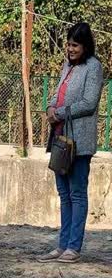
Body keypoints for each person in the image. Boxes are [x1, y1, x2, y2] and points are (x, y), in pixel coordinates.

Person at [39, 23, 104, 264]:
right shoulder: (67, 66)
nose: (70, 49)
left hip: (79, 141)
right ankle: (62, 244)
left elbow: (89, 102)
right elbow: (57, 95)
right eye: (68, 44)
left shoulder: (94, 67)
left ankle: (74, 247)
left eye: (74, 45)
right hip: (60, 139)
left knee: (77, 194)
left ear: (85, 46)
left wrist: (62, 112)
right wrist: (50, 107)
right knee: (63, 194)